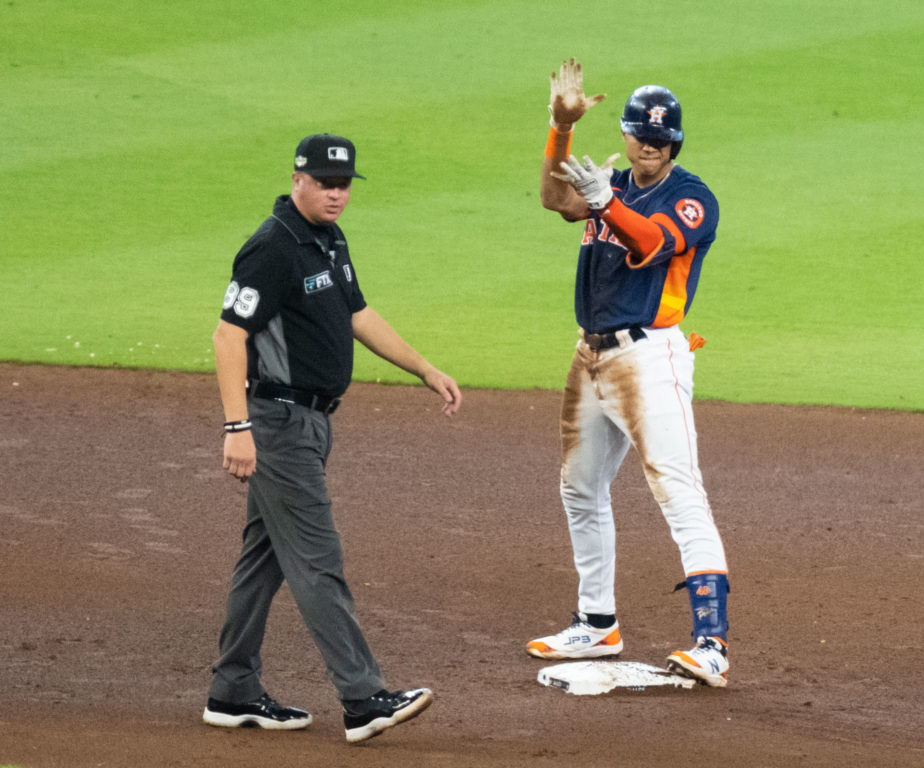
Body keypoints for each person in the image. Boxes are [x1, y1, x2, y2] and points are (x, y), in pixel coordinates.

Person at [203, 133, 462, 742]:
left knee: (263, 561)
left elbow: (357, 313)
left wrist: (425, 368)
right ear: (297, 179)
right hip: (278, 424)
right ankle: (363, 698)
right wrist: (237, 427)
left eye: (344, 183)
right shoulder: (271, 248)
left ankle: (232, 687)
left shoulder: (328, 239)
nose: (336, 193)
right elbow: (227, 336)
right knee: (318, 562)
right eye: (324, 182)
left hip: (312, 423)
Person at [526, 60, 731, 687]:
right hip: (590, 353)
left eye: (661, 140)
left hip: (650, 356)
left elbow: (649, 242)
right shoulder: (608, 180)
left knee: (678, 491)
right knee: (579, 488)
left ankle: (712, 644)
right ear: (625, 133)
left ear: (675, 145)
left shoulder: (693, 199)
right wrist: (560, 130)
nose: (649, 146)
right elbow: (555, 198)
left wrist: (606, 201)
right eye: (641, 134)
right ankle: (597, 623)